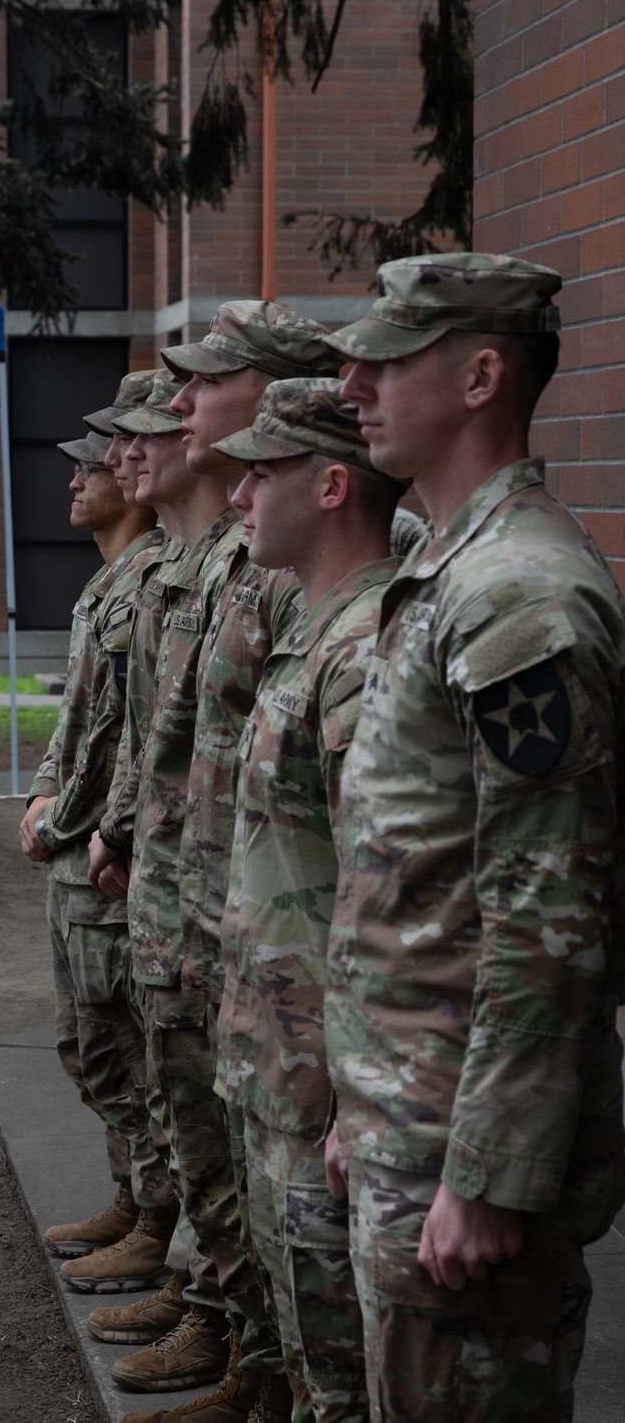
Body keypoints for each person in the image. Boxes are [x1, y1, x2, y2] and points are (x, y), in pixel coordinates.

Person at [320, 252, 625, 1421]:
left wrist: (491, 1173)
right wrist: (366, 1107)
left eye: (388, 357)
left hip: (462, 1149)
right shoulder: (444, 569)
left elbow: (548, 915)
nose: (352, 379)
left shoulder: (518, 597)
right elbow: (414, 874)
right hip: (413, 1113)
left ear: (481, 374)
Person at [89, 305, 342, 1423]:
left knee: (259, 1171)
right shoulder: (232, 555)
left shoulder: (295, 564)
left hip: (254, 927)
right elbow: (175, 740)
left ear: (280, 392)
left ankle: (264, 1359)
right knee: (210, 1144)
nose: (181, 407)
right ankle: (248, 1340)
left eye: (207, 383)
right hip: (193, 905)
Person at [213, 381, 406, 1422]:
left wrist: (354, 1093)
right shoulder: (315, 631)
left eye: (262, 472)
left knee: (341, 1376)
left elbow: (385, 896)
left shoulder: (365, 647)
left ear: (332, 486)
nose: (238, 493)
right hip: (279, 1061)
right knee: (305, 1353)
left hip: (324, 1078)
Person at [19, 393, 178, 1274]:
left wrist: (71, 820)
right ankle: (131, 1198)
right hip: (77, 846)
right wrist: (44, 793)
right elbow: (77, 727)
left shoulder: (152, 579)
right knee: (86, 1046)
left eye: (97, 462)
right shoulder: (106, 585)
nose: (81, 477)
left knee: (123, 1051)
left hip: (104, 857)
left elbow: (137, 738)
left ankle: (156, 1220)